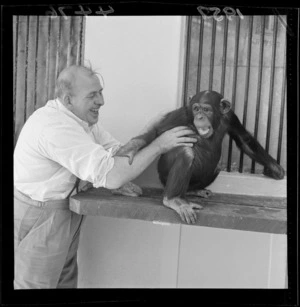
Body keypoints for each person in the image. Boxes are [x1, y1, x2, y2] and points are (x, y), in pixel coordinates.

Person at [13, 64, 197, 289]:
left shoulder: (83, 122)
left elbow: (119, 154)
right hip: (42, 215)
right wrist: (160, 145)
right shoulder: (55, 127)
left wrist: (153, 128)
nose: (101, 101)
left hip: (65, 211)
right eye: (92, 95)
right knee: (36, 287)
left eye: (100, 92)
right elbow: (112, 175)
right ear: (68, 99)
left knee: (64, 283)